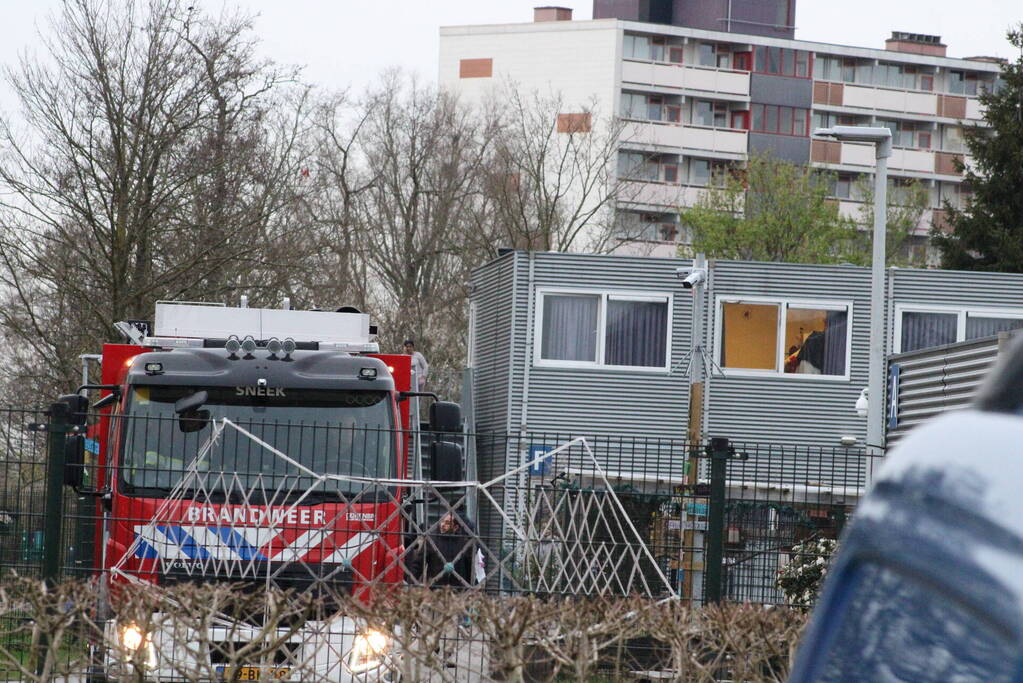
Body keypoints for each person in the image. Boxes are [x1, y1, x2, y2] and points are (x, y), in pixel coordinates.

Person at [405, 509, 478, 588]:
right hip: (435, 589)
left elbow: (469, 569)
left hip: (457, 590)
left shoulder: (464, 543)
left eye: (447, 523)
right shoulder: (432, 541)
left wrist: (472, 587)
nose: (442, 525)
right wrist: (411, 584)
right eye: (442, 521)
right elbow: (418, 565)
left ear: (456, 527)